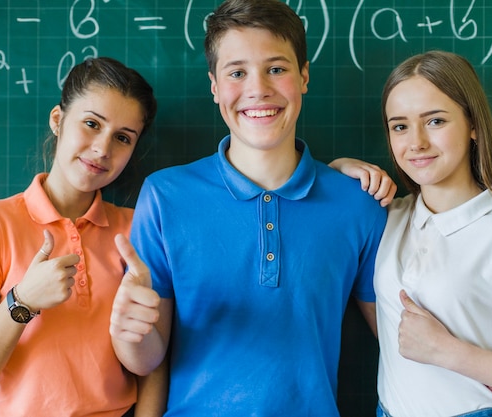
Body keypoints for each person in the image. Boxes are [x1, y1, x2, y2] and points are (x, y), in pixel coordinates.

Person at [108, 0, 390, 415]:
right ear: (215, 86)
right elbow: (148, 359)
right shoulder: (166, 196)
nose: (258, 89)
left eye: (276, 68)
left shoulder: (356, 205)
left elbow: (400, 339)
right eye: (237, 72)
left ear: (304, 76)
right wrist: (129, 333)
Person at [333, 50, 492, 417]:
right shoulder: (387, 219)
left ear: (473, 124)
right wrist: (340, 169)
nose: (416, 142)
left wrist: (449, 352)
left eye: (435, 121)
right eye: (400, 126)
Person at [0, 57, 159, 417]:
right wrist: (23, 300)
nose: (103, 149)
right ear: (58, 120)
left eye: (122, 138)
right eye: (92, 124)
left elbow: (153, 364)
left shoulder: (138, 229)